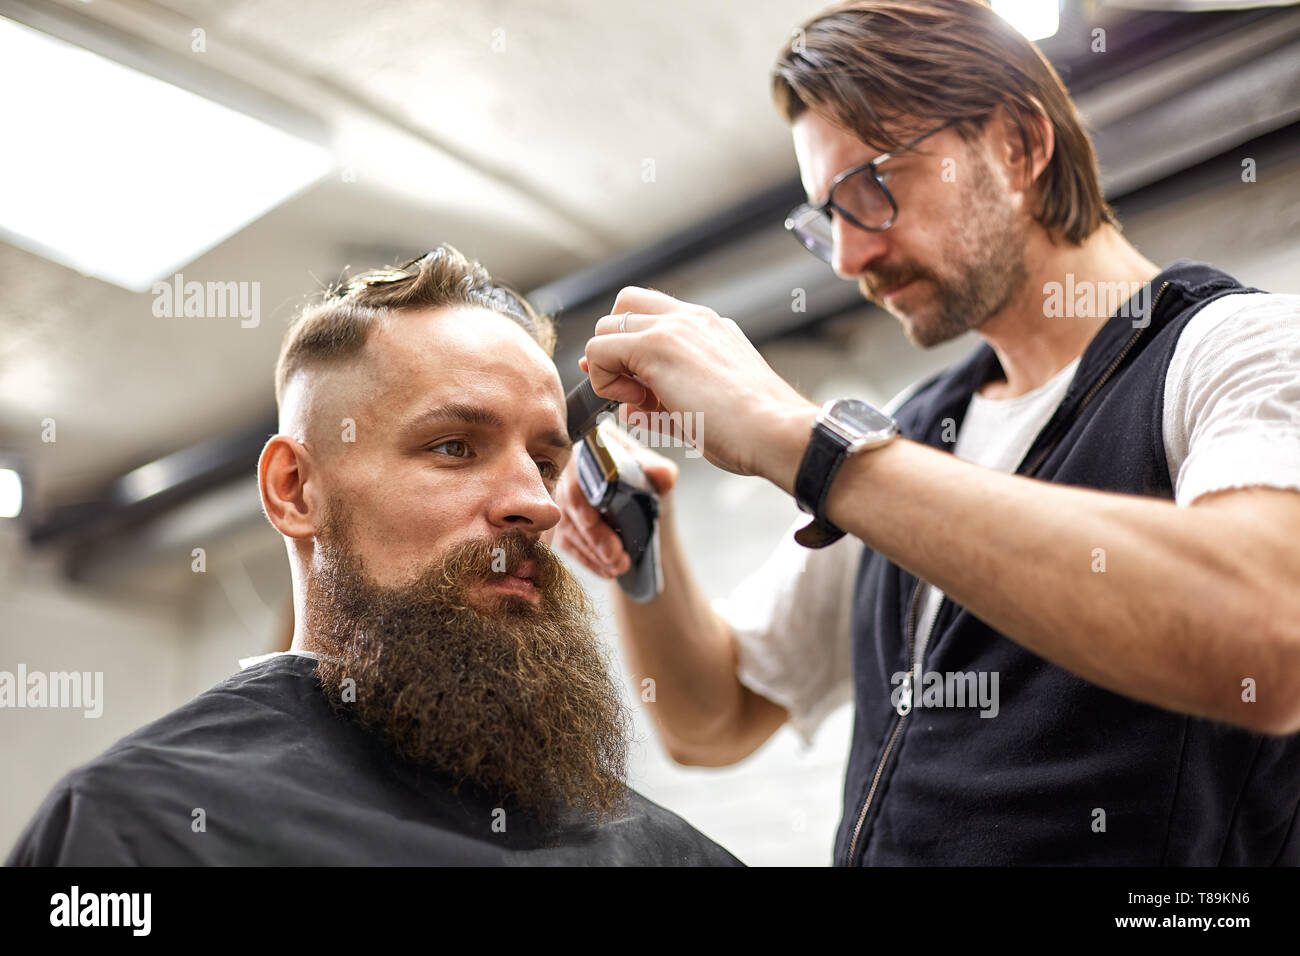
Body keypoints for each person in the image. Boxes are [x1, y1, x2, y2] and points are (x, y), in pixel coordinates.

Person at [554, 0, 1300, 865]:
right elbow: (712, 717)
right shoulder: (912, 434)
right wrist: (643, 549)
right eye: (823, 218)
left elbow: (1271, 634)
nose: (846, 259)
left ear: (1017, 145)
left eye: (869, 186)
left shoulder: (1236, 348)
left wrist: (799, 441)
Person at [6, 247, 741, 866]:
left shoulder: (666, 855)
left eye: (547, 464)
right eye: (455, 447)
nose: (539, 504)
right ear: (294, 489)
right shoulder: (146, 829)